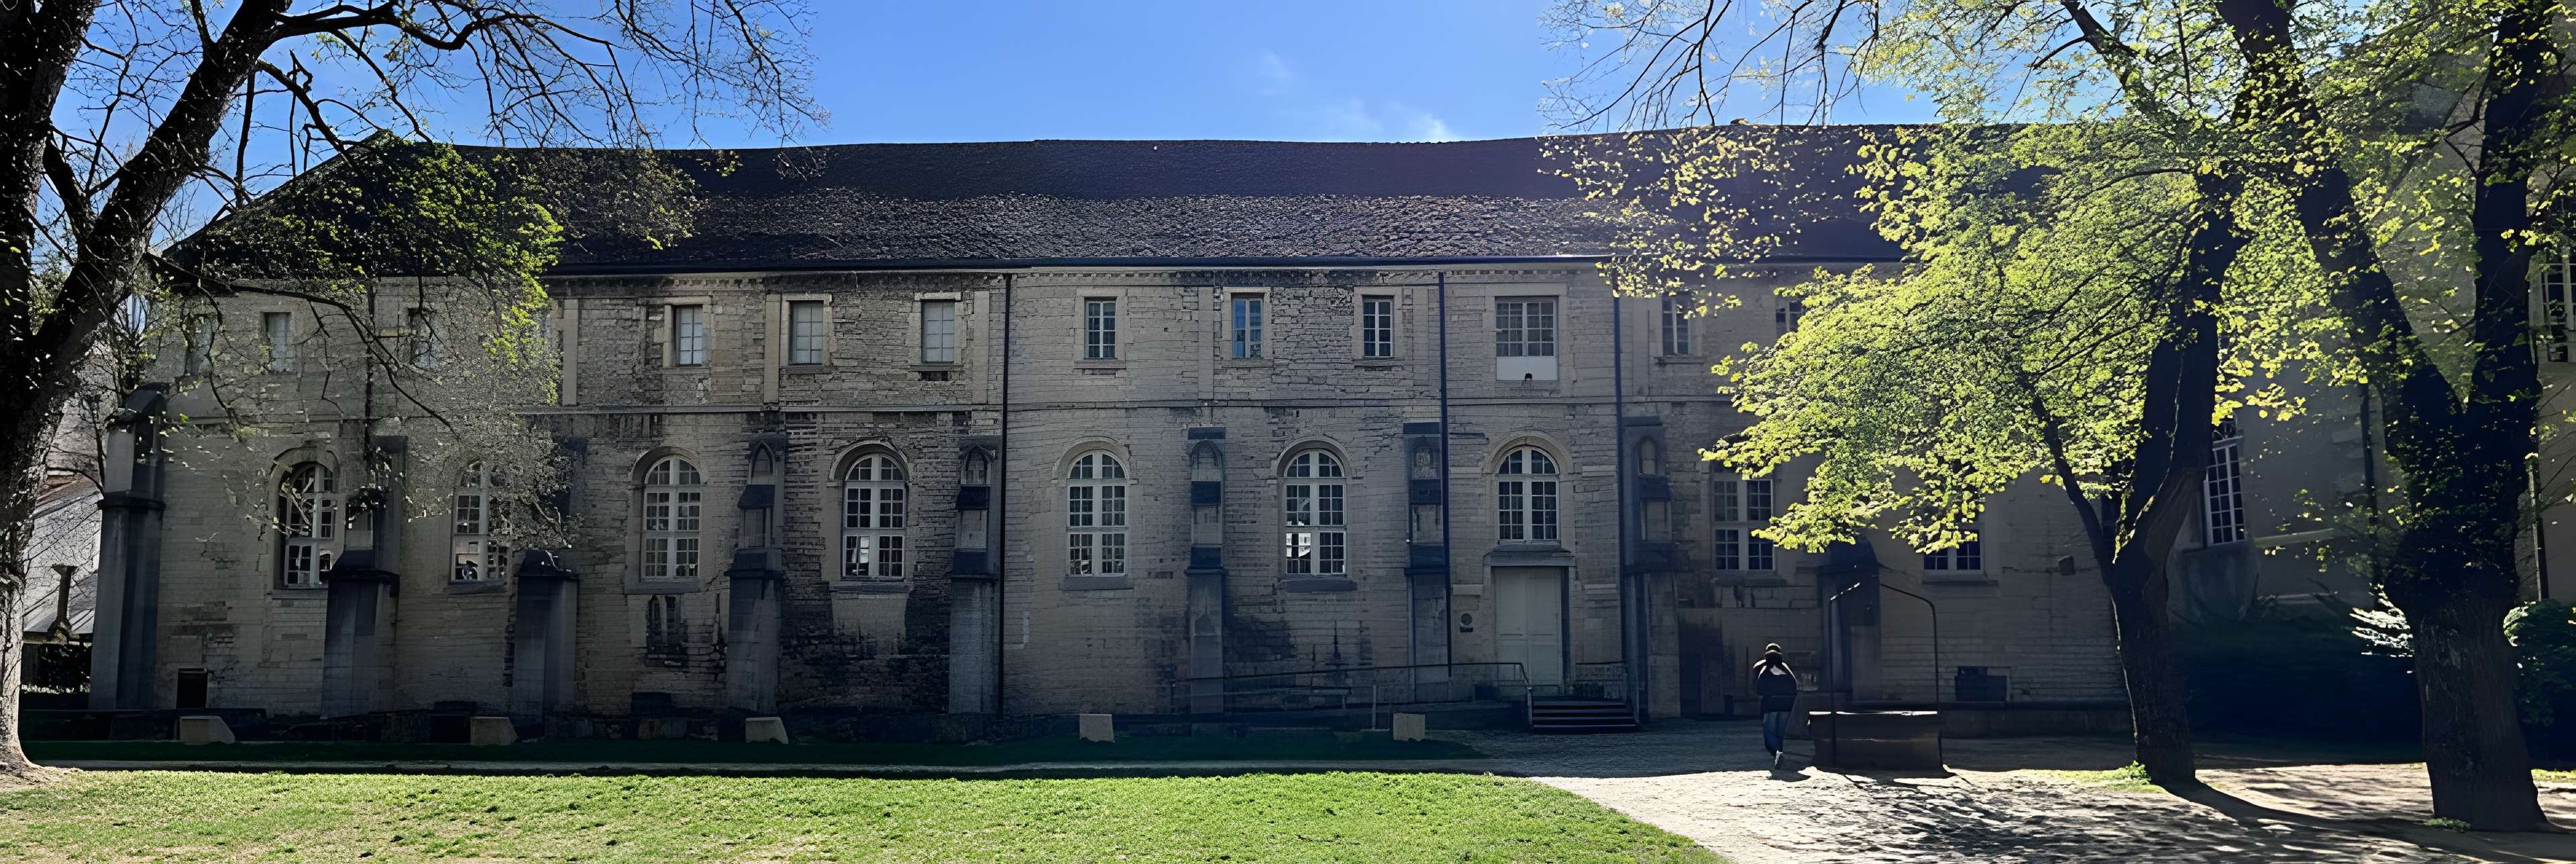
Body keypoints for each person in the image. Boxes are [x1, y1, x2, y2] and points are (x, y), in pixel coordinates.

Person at [1752, 645, 1800, 769]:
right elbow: (1794, 687)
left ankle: (1777, 755)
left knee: (1770, 734)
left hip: (1770, 706)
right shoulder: (1786, 669)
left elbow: (1758, 689)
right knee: (1780, 734)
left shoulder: (1762, 669)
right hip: (1785, 706)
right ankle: (1779, 754)